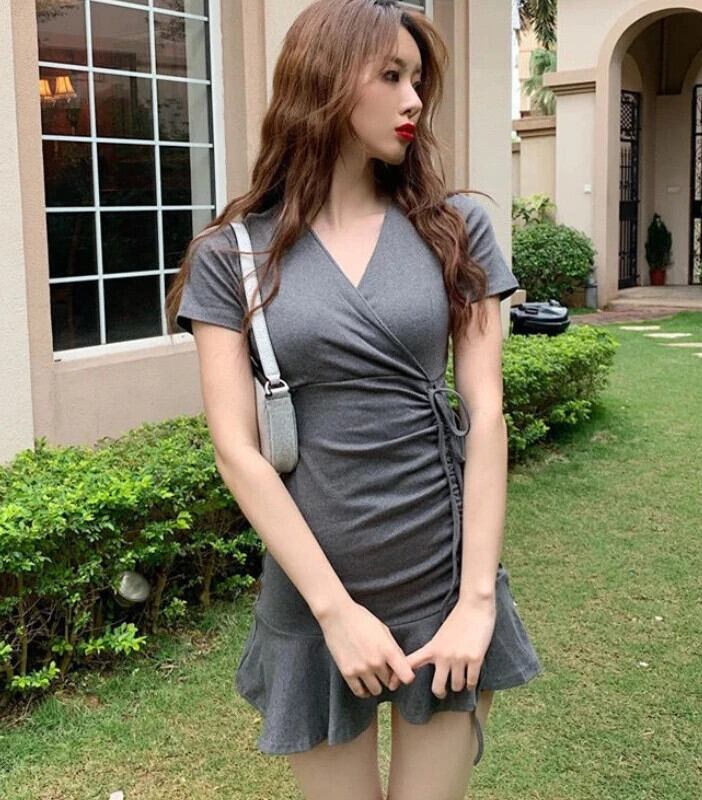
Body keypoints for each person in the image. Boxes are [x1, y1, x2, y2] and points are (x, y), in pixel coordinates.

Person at [165, 1, 542, 797]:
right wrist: (335, 612)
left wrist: (476, 602)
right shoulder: (233, 255)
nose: (414, 100)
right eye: (392, 76)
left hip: (441, 579)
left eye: (419, 80)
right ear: (326, 80)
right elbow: (236, 448)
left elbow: (485, 414)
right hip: (315, 594)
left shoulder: (454, 229)